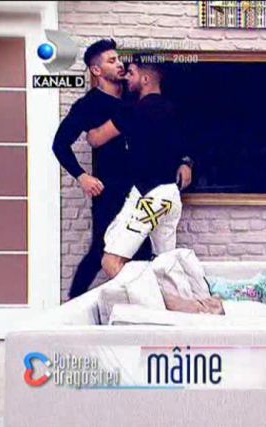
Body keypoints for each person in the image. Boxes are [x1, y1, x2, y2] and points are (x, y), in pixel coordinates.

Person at [51, 39, 151, 299]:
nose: (120, 64)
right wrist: (82, 176)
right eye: (112, 61)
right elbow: (59, 144)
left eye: (119, 59)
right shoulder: (88, 105)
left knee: (142, 250)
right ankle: (71, 306)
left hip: (142, 188)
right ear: (96, 70)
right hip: (109, 190)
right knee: (100, 250)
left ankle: (142, 307)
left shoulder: (135, 97)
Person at [86, 55, 193, 278]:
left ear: (145, 79)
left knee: (111, 261)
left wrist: (89, 114)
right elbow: (187, 146)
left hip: (150, 197)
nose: (127, 78)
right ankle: (188, 299)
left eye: (131, 73)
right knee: (166, 268)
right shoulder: (176, 111)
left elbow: (95, 139)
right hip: (169, 196)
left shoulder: (133, 111)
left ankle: (150, 298)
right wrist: (186, 163)